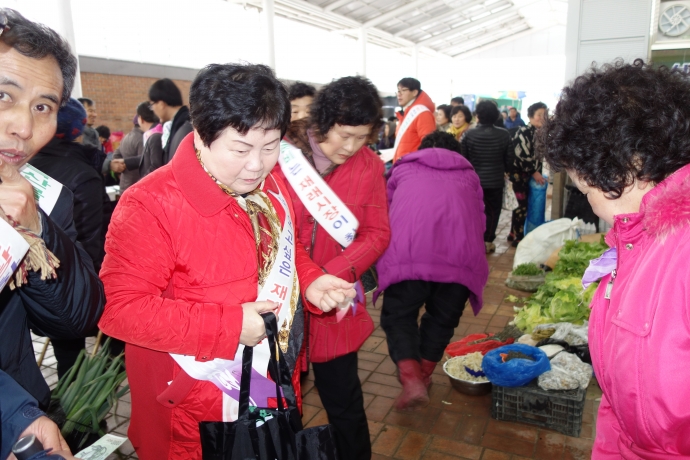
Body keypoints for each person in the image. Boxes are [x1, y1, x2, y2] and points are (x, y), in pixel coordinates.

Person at [98, 63, 357, 460]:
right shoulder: (150, 204)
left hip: (269, 382)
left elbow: (284, 254)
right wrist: (230, 325)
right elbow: (121, 309)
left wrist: (310, 280)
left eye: (270, 147)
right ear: (201, 137)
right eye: (240, 149)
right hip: (193, 411)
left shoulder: (266, 188)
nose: (257, 164)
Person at [539, 59, 690, 459]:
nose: (587, 201)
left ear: (626, 168)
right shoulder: (640, 240)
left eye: (583, 187)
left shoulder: (681, 251)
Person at [0, 8, 104, 458]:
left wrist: (36, 230)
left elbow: (76, 316)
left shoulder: (38, 194)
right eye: (4, 96)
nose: (23, 127)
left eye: (42, 107)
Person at [277, 76, 391, 460]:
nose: (351, 147)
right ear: (323, 121)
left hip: (334, 305)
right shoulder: (281, 154)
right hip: (279, 303)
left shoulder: (369, 166)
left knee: (344, 404)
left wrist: (332, 274)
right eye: (344, 135)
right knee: (276, 404)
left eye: (363, 137)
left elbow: (376, 233)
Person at [376, 131, 488, 410]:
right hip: (461, 259)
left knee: (399, 316)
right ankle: (423, 375)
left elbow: (385, 210)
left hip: (409, 253)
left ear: (422, 148)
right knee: (442, 319)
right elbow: (481, 220)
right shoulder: (470, 176)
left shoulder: (403, 168)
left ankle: (412, 379)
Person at [460, 100, 511, 253]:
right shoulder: (504, 134)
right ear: (496, 116)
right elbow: (509, 161)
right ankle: (488, 241)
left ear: (478, 116)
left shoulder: (469, 134)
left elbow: (464, 159)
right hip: (495, 181)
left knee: (473, 210)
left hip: (474, 182)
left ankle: (473, 240)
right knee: (493, 211)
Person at [507, 102, 547, 245]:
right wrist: (534, 172)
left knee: (522, 204)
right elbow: (522, 155)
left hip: (529, 175)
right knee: (520, 205)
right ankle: (518, 237)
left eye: (545, 115)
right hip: (518, 175)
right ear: (530, 116)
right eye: (539, 115)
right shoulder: (524, 131)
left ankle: (513, 232)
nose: (542, 118)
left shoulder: (541, 133)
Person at [148, 78, 192, 164]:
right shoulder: (179, 123)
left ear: (161, 104)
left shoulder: (185, 127)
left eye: (152, 105)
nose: (152, 109)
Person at [392, 77, 436, 162]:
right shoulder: (405, 114)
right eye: (398, 90)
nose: (399, 94)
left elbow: (428, 146)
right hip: (402, 167)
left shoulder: (423, 113)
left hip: (413, 169)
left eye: (403, 90)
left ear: (415, 92)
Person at [110, 113, 144, 192]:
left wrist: (120, 168)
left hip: (125, 183)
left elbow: (116, 155)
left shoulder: (126, 137)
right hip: (136, 186)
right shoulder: (141, 138)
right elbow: (144, 162)